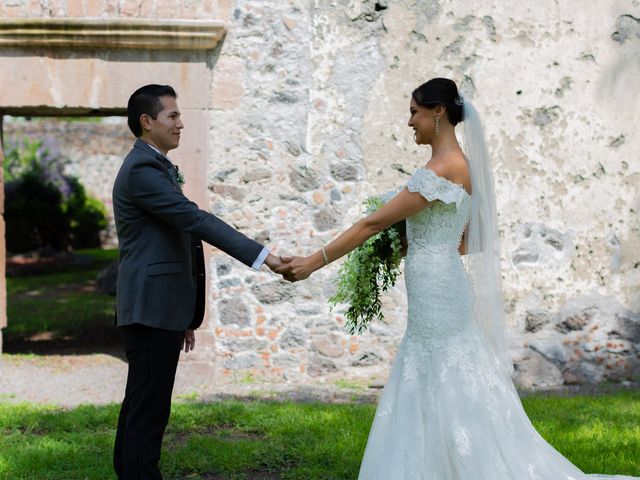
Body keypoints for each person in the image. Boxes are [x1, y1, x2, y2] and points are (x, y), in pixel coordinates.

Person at [276, 78, 637, 479]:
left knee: (441, 364)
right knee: (440, 366)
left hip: (438, 288)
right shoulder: (455, 166)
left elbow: (373, 222)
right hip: (439, 280)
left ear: (438, 111)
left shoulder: (444, 168)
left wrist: (313, 262)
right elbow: (467, 239)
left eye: (414, 111)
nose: (410, 121)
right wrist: (417, 243)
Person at [112, 84, 284, 480]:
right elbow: (195, 221)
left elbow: (177, 238)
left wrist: (186, 313)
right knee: (148, 410)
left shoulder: (155, 166)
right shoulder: (142, 169)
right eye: (172, 115)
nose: (181, 123)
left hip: (160, 309)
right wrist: (265, 257)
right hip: (150, 310)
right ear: (146, 121)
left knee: (144, 405)